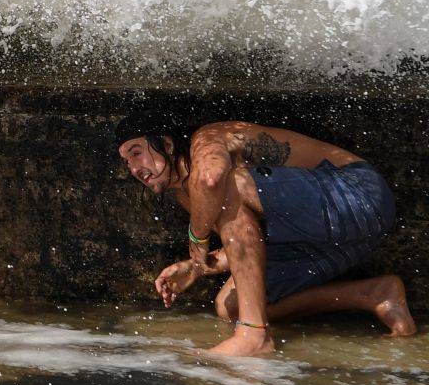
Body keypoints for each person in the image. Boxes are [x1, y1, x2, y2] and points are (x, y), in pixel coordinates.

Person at [116, 115, 415, 357]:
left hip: (360, 195)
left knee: (227, 187)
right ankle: (373, 295)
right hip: (337, 241)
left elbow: (212, 179)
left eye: (137, 153)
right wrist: (197, 266)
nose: (133, 168)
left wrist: (197, 239)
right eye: (127, 162)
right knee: (230, 305)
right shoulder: (186, 196)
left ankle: (254, 334)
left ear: (166, 143)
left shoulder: (207, 139)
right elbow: (248, 238)